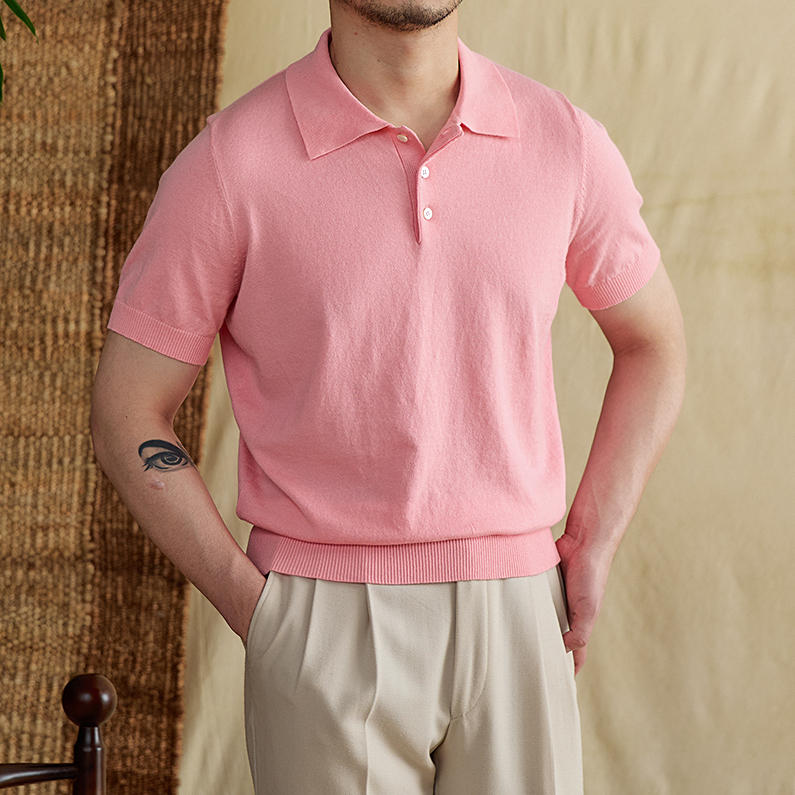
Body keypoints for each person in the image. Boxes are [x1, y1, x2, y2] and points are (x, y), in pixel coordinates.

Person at [90, 0, 687, 792]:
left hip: (520, 608)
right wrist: (256, 611)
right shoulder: (230, 163)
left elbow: (652, 344)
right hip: (318, 616)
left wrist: (592, 540)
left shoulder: (562, 140)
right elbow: (127, 408)